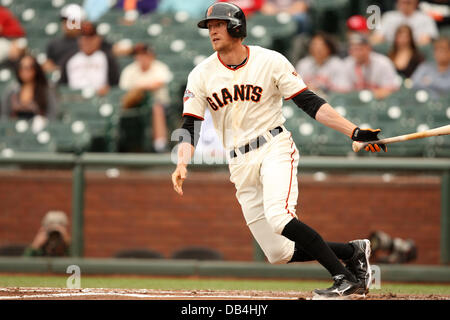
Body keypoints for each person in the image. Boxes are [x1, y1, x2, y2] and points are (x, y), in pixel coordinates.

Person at [171, 2, 387, 299]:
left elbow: (309, 102)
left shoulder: (270, 60)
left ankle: (344, 278)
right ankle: (353, 251)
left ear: (237, 27)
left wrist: (353, 130)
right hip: (239, 161)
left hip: (273, 146)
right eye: (210, 27)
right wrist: (182, 162)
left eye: (219, 24)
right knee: (278, 252)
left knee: (279, 216)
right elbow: (190, 124)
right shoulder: (202, 74)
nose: (213, 31)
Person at [119, 43, 172, 152]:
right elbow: (123, 91)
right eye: (138, 55)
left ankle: (160, 143)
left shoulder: (160, 67)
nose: (141, 58)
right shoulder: (129, 70)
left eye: (144, 55)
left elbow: (158, 83)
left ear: (151, 56)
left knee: (156, 107)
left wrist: (140, 88)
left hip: (160, 104)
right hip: (135, 104)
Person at [59, 21, 120, 96]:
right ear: (79, 40)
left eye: (91, 37)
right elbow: (62, 86)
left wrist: (108, 90)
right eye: (84, 37)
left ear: (98, 39)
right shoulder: (69, 59)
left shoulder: (108, 58)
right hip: (74, 99)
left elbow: (115, 85)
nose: (87, 41)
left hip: (100, 98)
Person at [339, 33, 401, 99]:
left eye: (359, 49)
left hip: (381, 102)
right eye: (353, 49)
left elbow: (391, 89)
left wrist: (371, 95)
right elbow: (344, 91)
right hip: (356, 102)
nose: (356, 53)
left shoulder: (383, 63)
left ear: (368, 48)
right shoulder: (347, 64)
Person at [1, 54, 58, 120]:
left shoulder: (46, 89)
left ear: (35, 70)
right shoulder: (11, 90)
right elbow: (5, 115)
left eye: (28, 68)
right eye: (21, 68)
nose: (24, 72)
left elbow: (52, 114)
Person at [370, 0, 439, 47]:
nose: (405, 4)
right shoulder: (388, 16)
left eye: (408, 2)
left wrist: (408, 49)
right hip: (392, 52)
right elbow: (376, 38)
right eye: (403, 2)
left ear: (416, 2)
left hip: (416, 54)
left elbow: (428, 40)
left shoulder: (426, 18)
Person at [43, 4, 85, 73]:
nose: (67, 24)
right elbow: (48, 67)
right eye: (65, 21)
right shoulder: (53, 44)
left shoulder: (88, 43)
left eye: (71, 21)